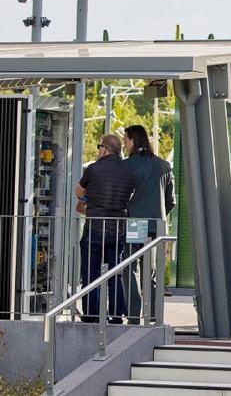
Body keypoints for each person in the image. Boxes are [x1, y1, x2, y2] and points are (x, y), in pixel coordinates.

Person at [75, 134, 134, 323]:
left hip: (94, 228)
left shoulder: (93, 169)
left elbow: (79, 191)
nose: (98, 149)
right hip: (117, 229)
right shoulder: (128, 171)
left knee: (90, 274)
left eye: (99, 146)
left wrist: (90, 195)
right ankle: (116, 316)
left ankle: (91, 315)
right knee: (114, 274)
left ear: (105, 149)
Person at [122, 125, 174, 324]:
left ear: (133, 140)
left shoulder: (128, 165)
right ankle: (152, 313)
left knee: (130, 268)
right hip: (156, 226)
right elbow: (171, 201)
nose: (124, 144)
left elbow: (123, 195)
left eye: (126, 140)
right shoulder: (163, 166)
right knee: (150, 270)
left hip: (136, 223)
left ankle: (134, 314)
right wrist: (157, 215)